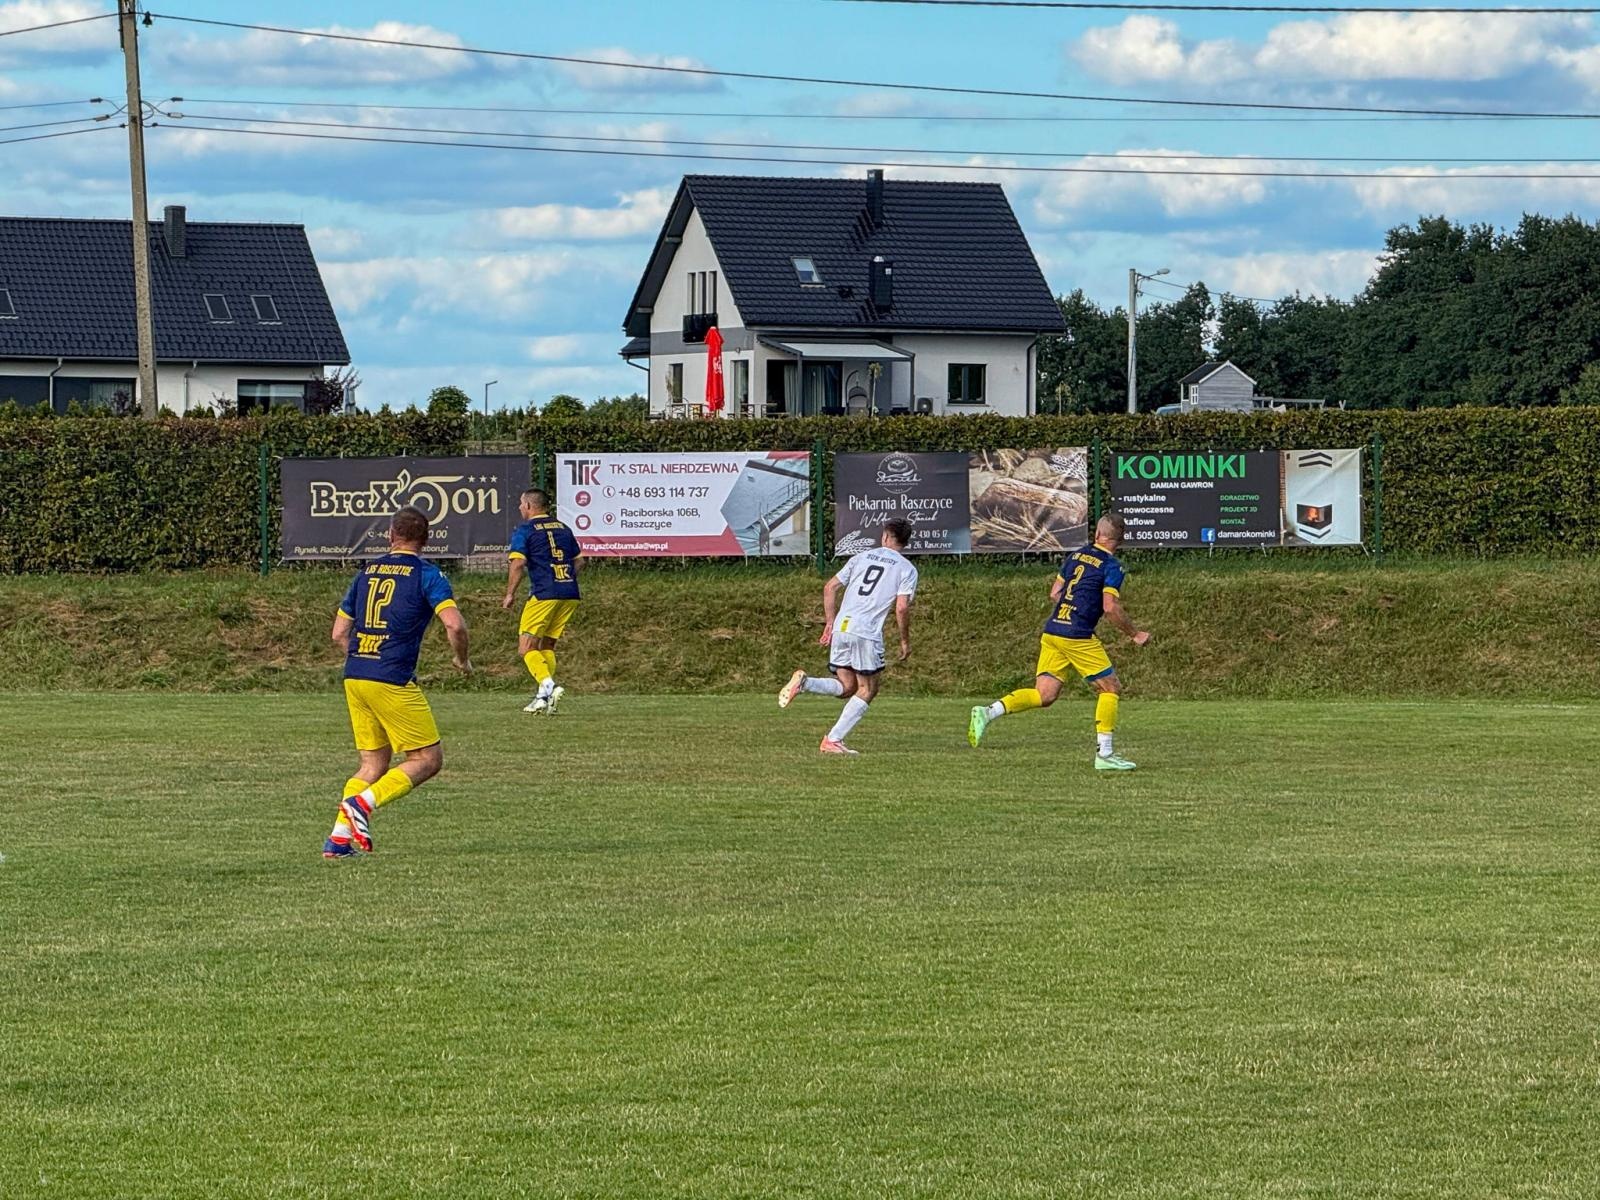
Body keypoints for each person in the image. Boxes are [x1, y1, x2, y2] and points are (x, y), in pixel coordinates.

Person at [324, 506, 471, 858]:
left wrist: (363, 658)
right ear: (427, 540)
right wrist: (461, 659)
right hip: (391, 677)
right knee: (427, 759)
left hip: (356, 674)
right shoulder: (427, 573)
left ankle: (338, 840)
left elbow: (338, 633)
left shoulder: (366, 572)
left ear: (390, 535)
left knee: (372, 764)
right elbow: (455, 625)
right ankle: (362, 804)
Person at [967, 512, 1151, 770]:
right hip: (1076, 635)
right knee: (1110, 688)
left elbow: (1055, 593)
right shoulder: (1112, 566)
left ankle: (988, 712)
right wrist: (1135, 634)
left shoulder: (1075, 556)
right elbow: (1110, 607)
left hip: (1053, 630)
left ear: (1097, 534)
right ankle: (1106, 756)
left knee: (1045, 695)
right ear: (1121, 540)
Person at [777, 517, 917, 755]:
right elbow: (902, 608)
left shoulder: (860, 557)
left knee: (847, 687)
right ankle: (833, 740)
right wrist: (905, 640)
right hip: (866, 631)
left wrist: (830, 622)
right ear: (906, 542)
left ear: (884, 536)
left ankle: (805, 683)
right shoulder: (907, 569)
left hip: (842, 626)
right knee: (868, 689)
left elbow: (830, 587)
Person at [502, 489, 582, 714]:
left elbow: (517, 564)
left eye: (520, 503)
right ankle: (542, 698)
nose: (519, 508)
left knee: (526, 647)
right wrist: (564, 579)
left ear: (528, 506)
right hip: (569, 593)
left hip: (543, 593)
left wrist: (510, 594)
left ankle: (549, 686)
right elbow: (580, 561)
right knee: (546, 645)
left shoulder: (525, 530)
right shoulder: (564, 528)